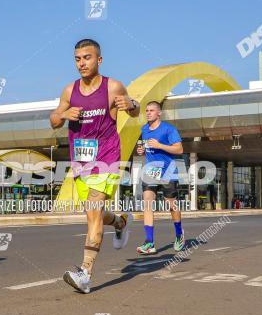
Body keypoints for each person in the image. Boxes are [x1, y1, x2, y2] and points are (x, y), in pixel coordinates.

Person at [50, 39, 139, 294]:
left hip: (107, 157)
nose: (82, 63)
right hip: (81, 161)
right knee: (94, 214)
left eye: (87, 58)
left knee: (93, 211)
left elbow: (135, 108)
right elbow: (54, 119)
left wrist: (131, 106)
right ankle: (120, 222)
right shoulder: (70, 91)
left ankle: (85, 273)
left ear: (98, 60)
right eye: (78, 58)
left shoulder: (112, 87)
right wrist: (63, 115)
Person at [135, 101, 184, 254]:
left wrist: (160, 146)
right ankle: (149, 242)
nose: (148, 113)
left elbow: (179, 149)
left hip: (168, 171)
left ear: (159, 113)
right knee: (147, 204)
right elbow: (146, 147)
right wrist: (142, 150)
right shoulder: (144, 129)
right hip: (151, 171)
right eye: (147, 110)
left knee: (172, 206)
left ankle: (179, 234)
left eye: (151, 110)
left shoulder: (169, 129)